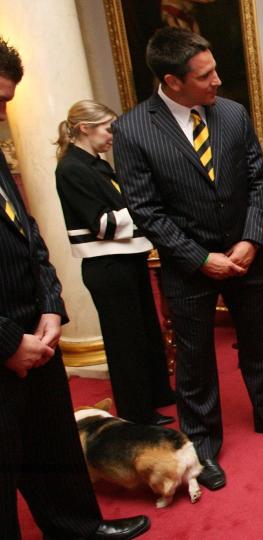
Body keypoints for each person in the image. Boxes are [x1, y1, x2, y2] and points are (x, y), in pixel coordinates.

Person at [112, 27, 263, 493]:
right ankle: (201, 443)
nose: (218, 81)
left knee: (258, 341)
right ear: (172, 80)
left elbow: (259, 183)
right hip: (189, 267)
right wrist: (201, 257)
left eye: (216, 69)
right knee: (196, 357)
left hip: (245, 256)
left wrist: (250, 239)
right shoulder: (134, 129)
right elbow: (147, 211)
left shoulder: (232, 114)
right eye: (206, 76)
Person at [0, 36, 150, 540]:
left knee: (53, 446)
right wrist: (7, 340)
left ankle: (79, 527)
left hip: (35, 329)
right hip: (6, 342)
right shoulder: (73, 167)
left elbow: (30, 237)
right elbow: (103, 224)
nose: (3, 114)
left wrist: (49, 308)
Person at [54, 99, 176, 427]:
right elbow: (103, 225)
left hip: (127, 259)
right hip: (107, 267)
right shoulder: (71, 168)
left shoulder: (95, 163)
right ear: (84, 128)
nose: (113, 136)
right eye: (108, 128)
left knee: (146, 332)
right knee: (126, 343)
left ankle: (159, 394)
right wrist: (145, 205)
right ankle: (137, 412)